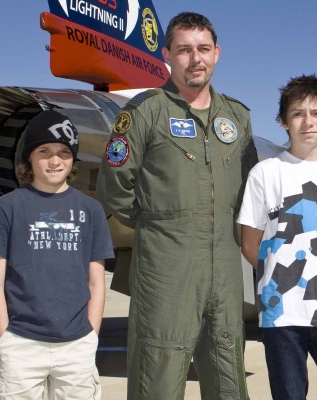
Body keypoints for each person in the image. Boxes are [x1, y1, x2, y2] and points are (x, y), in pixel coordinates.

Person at [96, 12, 258, 400]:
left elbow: (252, 191)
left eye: (203, 48)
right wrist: (161, 225)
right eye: (184, 50)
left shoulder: (237, 117)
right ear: (167, 55)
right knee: (159, 372)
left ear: (217, 53)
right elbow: (114, 187)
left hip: (225, 268)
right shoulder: (146, 111)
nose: (195, 58)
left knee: (227, 371)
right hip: (166, 270)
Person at [237, 75, 317, 399]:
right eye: (297, 113)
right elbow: (250, 244)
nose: (308, 121)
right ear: (284, 121)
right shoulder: (264, 174)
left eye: (316, 113)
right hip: (281, 315)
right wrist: (281, 278)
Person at [0, 110, 114, 399]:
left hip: (77, 346)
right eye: (44, 151)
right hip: (21, 344)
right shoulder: (8, 207)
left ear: (73, 159)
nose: (55, 161)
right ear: (29, 157)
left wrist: (91, 336)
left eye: (64, 152)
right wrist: (5, 340)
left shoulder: (91, 210)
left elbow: (96, 281)